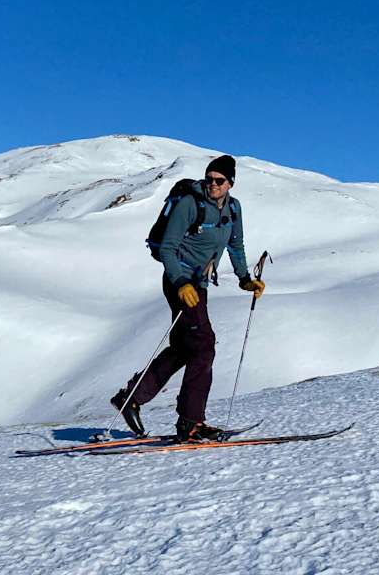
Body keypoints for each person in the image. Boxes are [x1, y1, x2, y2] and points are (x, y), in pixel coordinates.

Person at [111, 154, 266, 441]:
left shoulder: (233, 208)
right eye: (209, 179)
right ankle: (191, 422)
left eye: (219, 180)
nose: (213, 184)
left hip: (199, 285)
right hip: (179, 282)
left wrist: (245, 278)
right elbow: (167, 248)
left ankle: (130, 398)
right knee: (204, 345)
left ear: (231, 183)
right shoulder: (189, 204)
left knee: (185, 348)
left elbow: (235, 245)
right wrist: (181, 282)